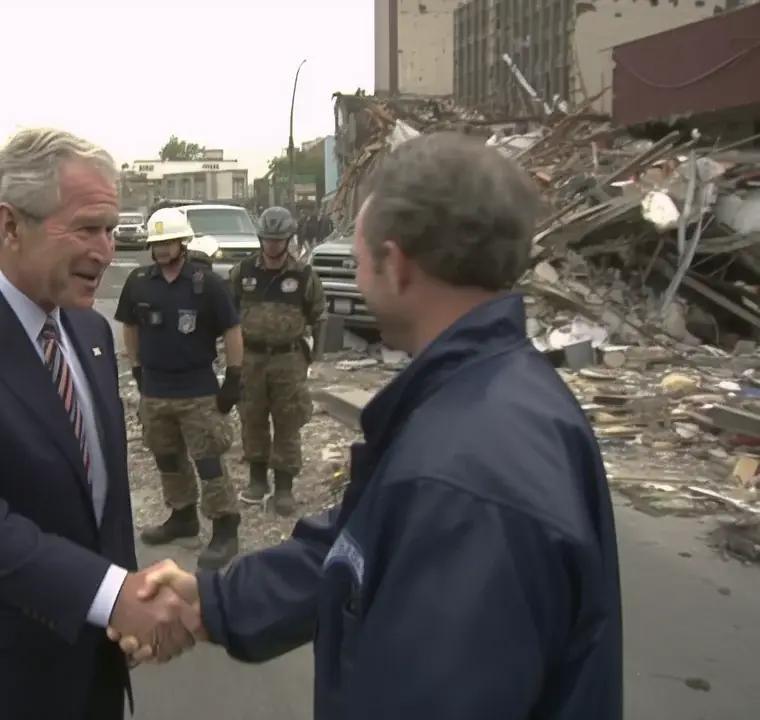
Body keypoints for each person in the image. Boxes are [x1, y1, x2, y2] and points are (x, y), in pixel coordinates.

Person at [112, 133, 624, 720]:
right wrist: (211, 601)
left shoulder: (465, 473)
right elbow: (357, 548)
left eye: (358, 260)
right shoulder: (487, 395)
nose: (353, 275)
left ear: (396, 263)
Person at [0, 128, 198, 720]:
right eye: (86, 228)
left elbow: (103, 498)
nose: (106, 250)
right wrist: (111, 595)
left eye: (110, 229)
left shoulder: (91, 332)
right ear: (11, 225)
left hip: (93, 668)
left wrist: (128, 602)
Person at [115, 207, 245, 570]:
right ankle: (183, 515)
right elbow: (129, 326)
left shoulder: (206, 283)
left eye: (168, 242)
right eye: (156, 243)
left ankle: (224, 526)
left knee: (208, 461)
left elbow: (233, 329)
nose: (161, 250)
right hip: (156, 390)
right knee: (166, 457)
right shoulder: (140, 281)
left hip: (198, 390)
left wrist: (234, 377)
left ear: (182, 243)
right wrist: (137, 366)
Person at [229, 206, 325, 515]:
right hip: (251, 359)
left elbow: (318, 315)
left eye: (278, 239)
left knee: (288, 421)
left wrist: (312, 357)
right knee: (252, 419)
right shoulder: (242, 273)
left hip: (288, 360)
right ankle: (257, 482)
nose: (272, 245)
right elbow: (228, 315)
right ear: (260, 240)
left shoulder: (303, 275)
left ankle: (284, 488)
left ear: (288, 240)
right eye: (267, 239)